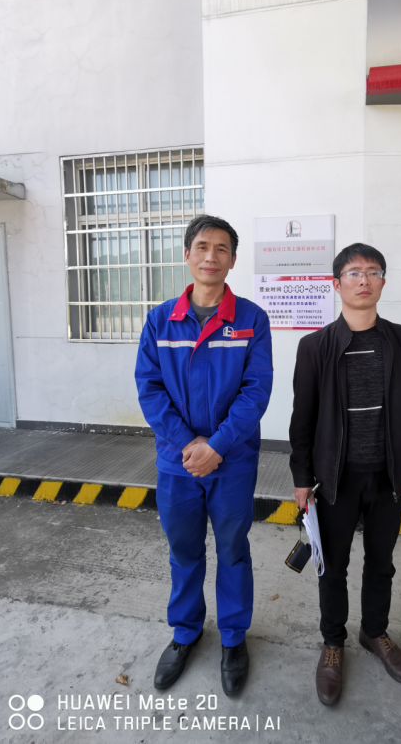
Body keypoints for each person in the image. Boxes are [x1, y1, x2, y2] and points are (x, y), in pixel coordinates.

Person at [135, 215, 273, 696]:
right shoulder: (160, 320)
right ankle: (185, 632)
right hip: (178, 463)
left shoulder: (251, 320)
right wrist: (188, 444)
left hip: (232, 462)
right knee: (184, 549)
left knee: (233, 549)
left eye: (221, 249)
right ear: (187, 254)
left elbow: (256, 392)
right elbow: (150, 389)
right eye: (202, 246)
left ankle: (233, 637)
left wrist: (216, 445)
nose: (211, 256)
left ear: (232, 259)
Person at [289, 242, 401, 706]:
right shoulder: (315, 347)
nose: (363, 280)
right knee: (333, 567)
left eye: (372, 271)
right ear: (337, 284)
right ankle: (333, 642)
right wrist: (302, 478)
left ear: (383, 282)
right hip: (336, 479)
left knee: (381, 562)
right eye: (353, 273)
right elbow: (302, 419)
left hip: (388, 477)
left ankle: (374, 632)